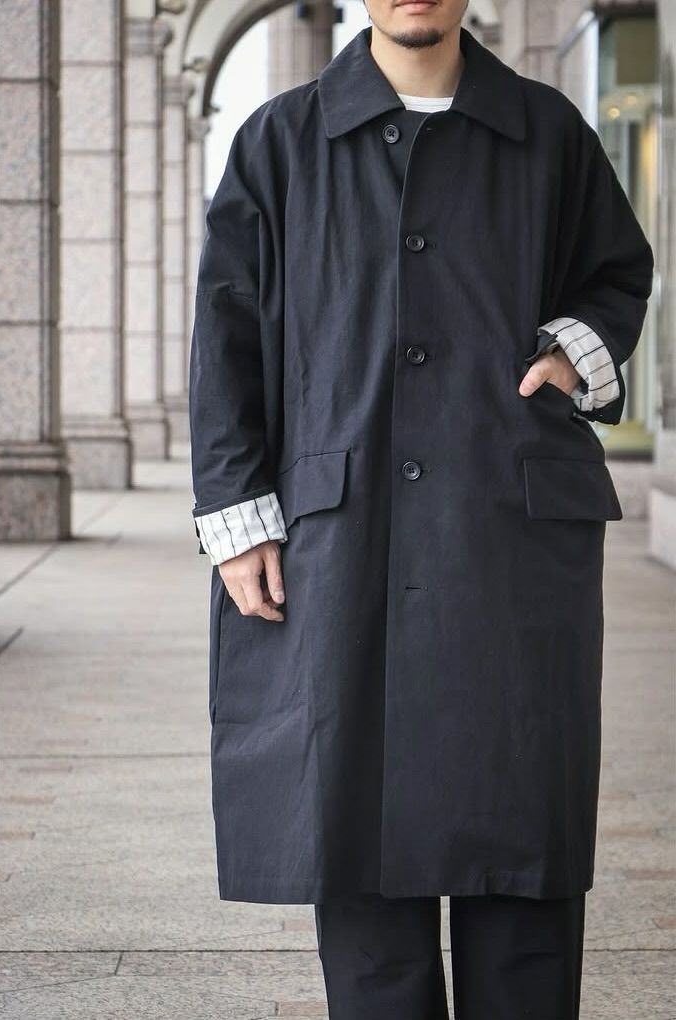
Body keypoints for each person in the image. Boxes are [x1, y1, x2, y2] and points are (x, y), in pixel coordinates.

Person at [188, 2, 654, 1016]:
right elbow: (225, 329)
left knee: (522, 859)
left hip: (508, 537)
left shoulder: (547, 131)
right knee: (359, 867)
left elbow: (618, 272)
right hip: (340, 543)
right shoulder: (281, 141)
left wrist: (569, 352)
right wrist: (236, 512)